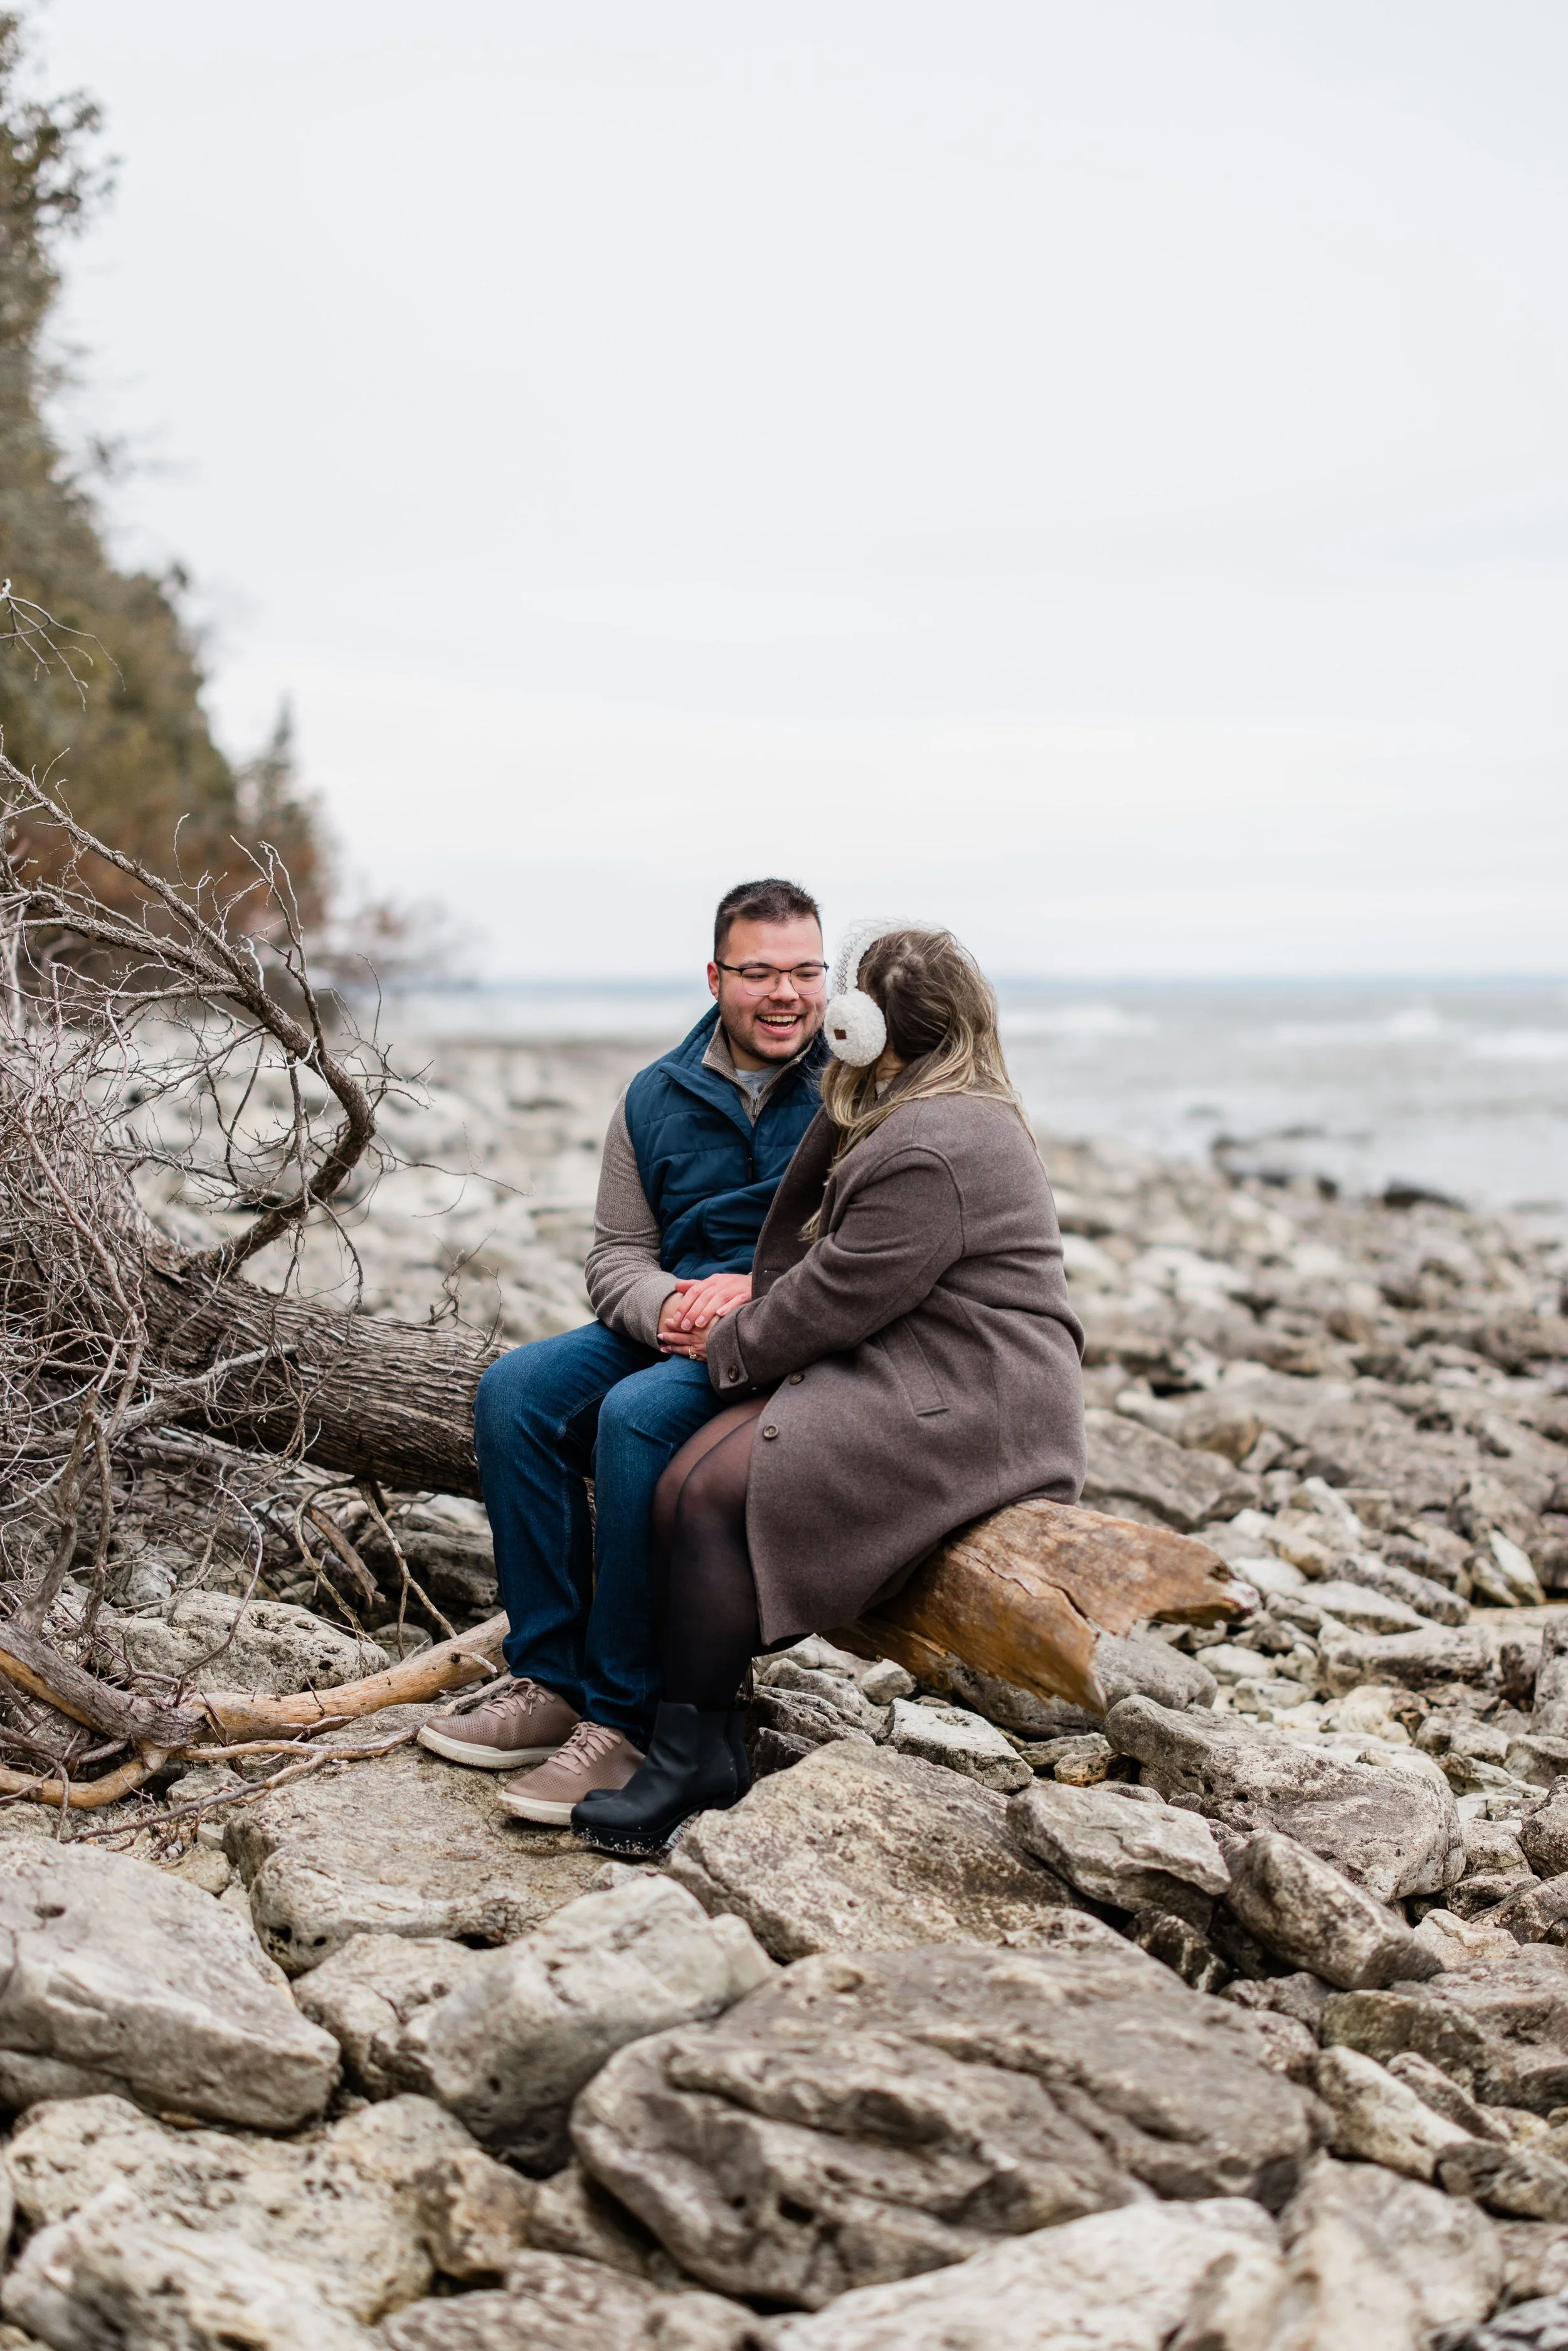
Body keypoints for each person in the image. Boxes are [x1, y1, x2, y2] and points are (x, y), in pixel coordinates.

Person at [570, 923, 1088, 1855]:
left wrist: (720, 1346)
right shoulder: (917, 1106)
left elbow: (834, 1295)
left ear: (861, 1024)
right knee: (686, 1476)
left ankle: (685, 1757)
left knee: (716, 1491)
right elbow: (827, 1270)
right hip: (926, 1358)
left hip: (979, 1395)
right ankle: (701, 1744)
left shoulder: (937, 1140)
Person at [418, 878, 829, 1818]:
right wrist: (665, 1307)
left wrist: (758, 1292)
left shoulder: (855, 1095)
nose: (786, 995)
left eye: (807, 972)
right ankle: (551, 1681)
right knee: (516, 1392)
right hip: (675, 1328)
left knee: (636, 1418)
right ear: (715, 977)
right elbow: (614, 1257)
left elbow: (870, 1250)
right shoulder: (654, 1095)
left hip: (790, 1336)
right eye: (760, 973)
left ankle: (625, 1721)